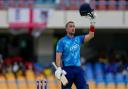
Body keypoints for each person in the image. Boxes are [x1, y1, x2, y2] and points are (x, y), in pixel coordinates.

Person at [54, 18, 95, 89]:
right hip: (66, 70)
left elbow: (91, 35)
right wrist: (59, 68)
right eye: (70, 26)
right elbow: (58, 56)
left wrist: (92, 24)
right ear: (66, 29)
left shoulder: (78, 39)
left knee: (84, 87)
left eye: (73, 26)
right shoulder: (62, 41)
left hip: (78, 69)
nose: (73, 28)